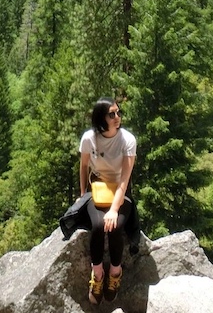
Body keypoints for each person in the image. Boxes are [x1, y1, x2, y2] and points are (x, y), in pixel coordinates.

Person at [79, 98, 137, 305]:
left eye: (118, 113)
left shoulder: (127, 140)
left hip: (120, 191)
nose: (117, 117)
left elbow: (125, 179)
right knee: (97, 226)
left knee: (115, 226)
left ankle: (115, 271)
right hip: (98, 188)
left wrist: (114, 210)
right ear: (100, 118)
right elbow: (84, 166)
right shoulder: (89, 139)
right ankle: (98, 274)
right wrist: (82, 193)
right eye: (111, 114)